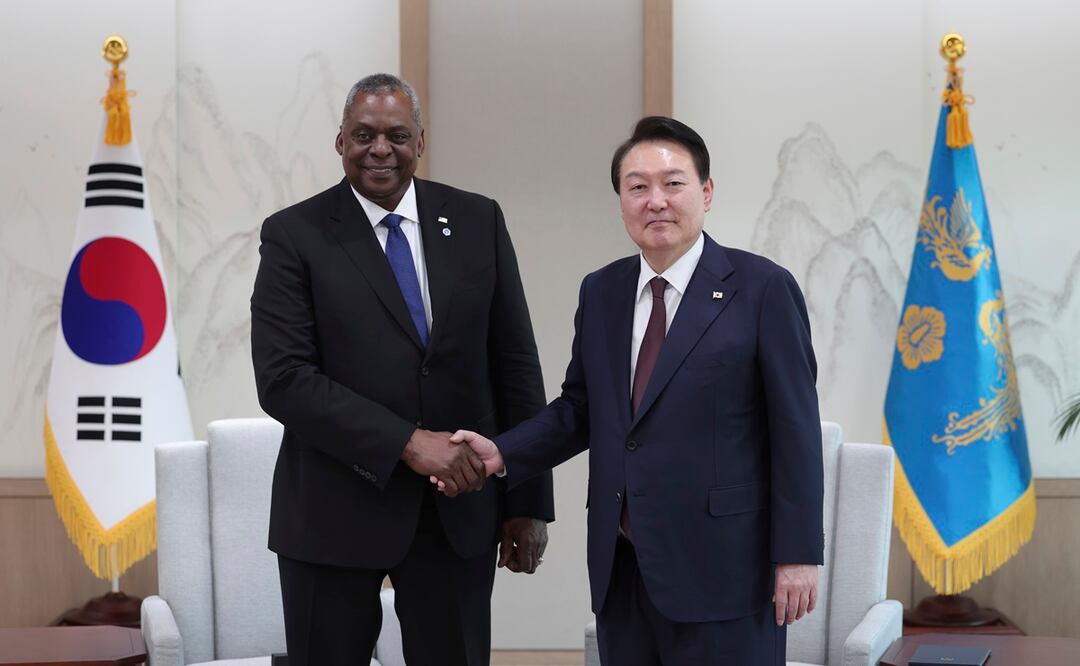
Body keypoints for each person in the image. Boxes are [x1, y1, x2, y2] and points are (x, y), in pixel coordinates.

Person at [439, 116, 823, 664]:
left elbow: (796, 431)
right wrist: (502, 452)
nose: (656, 201)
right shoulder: (602, 291)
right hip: (623, 569)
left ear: (706, 192)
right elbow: (579, 410)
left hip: (726, 570)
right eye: (637, 187)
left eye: (674, 183)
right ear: (621, 200)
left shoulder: (762, 289)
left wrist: (798, 554)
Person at [250, 73, 554, 666]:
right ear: (340, 141)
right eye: (363, 134)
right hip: (332, 511)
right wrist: (408, 444)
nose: (380, 149)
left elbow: (515, 364)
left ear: (422, 140)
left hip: (456, 514)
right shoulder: (293, 234)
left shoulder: (478, 220)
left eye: (396, 134)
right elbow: (284, 379)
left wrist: (527, 501)